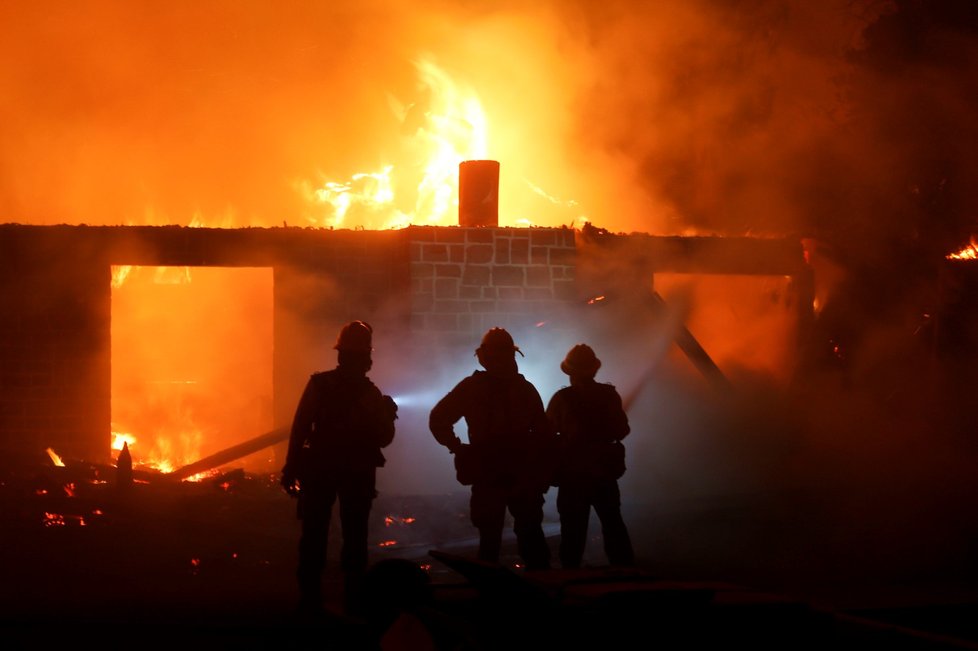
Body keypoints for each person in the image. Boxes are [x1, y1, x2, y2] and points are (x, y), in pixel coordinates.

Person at [280, 320, 398, 615]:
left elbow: (300, 427)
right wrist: (389, 413)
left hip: (320, 467)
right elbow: (384, 439)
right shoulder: (372, 396)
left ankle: (310, 600)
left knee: (314, 533)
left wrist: (291, 466)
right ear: (365, 358)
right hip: (357, 471)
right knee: (355, 535)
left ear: (340, 354)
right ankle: (353, 599)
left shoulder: (320, 385)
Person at [429, 327, 555, 571]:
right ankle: (542, 592)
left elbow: (439, 419)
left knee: (490, 540)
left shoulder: (472, 388)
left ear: (484, 356)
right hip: (522, 471)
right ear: (512, 355)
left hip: (489, 471)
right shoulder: (525, 390)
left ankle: (489, 596)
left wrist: (458, 448)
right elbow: (545, 434)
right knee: (530, 536)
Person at [546, 343, 634, 569]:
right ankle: (624, 573)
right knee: (613, 523)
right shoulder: (609, 395)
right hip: (604, 471)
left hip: (572, 475)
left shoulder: (562, 399)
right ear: (594, 370)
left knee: (572, 530)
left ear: (570, 372)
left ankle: (570, 578)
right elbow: (622, 430)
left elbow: (545, 433)